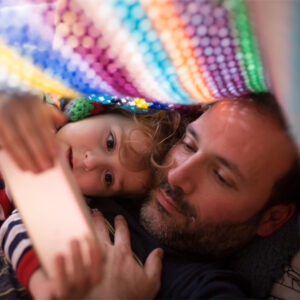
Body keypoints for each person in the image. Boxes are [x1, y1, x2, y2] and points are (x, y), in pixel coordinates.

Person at [2, 92, 300, 299]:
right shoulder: (91, 178)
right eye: (189, 145)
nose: (175, 176)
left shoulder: (201, 286)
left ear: (273, 218)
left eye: (221, 176)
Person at [0, 92, 190, 298]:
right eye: (110, 142)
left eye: (108, 178)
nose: (91, 162)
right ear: (96, 111)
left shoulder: (59, 197)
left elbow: (19, 228)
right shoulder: (38, 105)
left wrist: (42, 283)